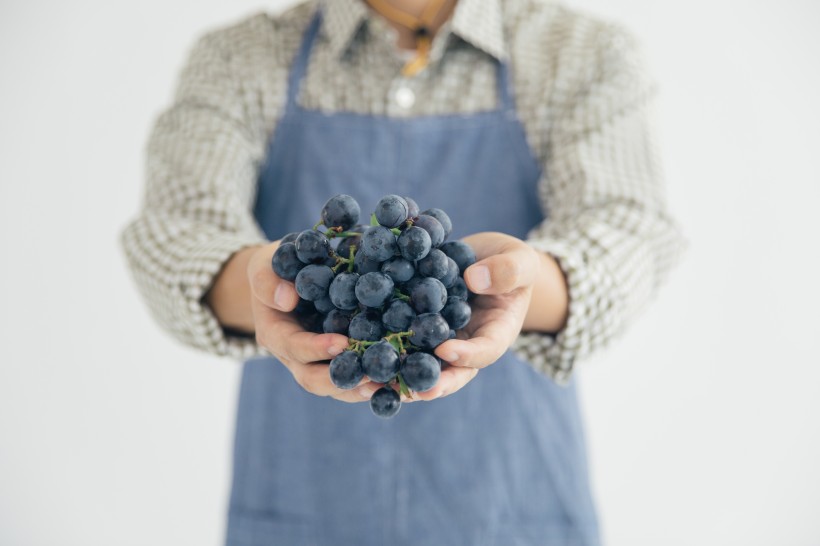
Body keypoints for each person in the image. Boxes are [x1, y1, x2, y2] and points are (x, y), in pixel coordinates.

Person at [121, 0, 684, 543]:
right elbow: (174, 235)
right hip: (303, 501)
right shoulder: (243, 57)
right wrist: (262, 284)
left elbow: (630, 232)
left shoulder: (579, 53)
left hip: (511, 504)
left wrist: (518, 284)